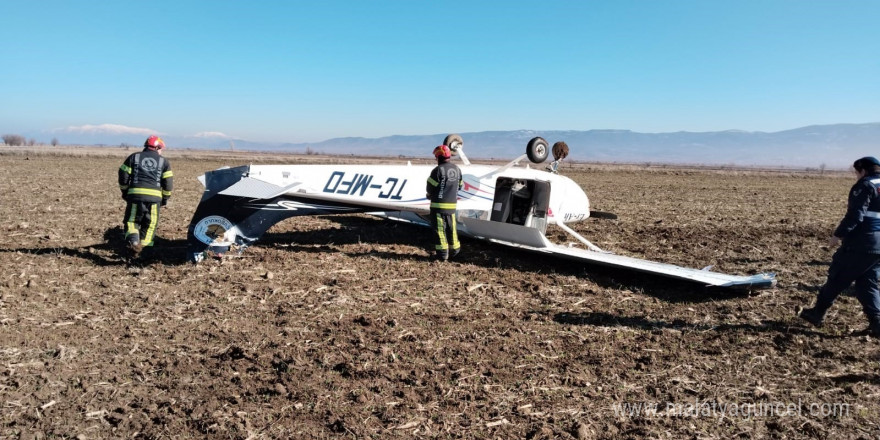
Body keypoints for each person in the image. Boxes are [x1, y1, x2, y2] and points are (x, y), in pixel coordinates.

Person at [799, 156, 880, 337]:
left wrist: (838, 234)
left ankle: (817, 313)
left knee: (837, 278)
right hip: (878, 246)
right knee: (867, 283)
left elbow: (856, 215)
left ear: (863, 171)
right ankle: (877, 323)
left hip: (861, 243)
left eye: (856, 173)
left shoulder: (865, 185)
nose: (856, 177)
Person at [118, 135, 173, 258]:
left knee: (132, 221)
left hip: (135, 197)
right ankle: (144, 252)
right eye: (161, 149)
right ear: (157, 147)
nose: (161, 152)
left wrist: (125, 191)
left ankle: (134, 242)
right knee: (150, 224)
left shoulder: (134, 157)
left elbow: (123, 174)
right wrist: (165, 198)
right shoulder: (163, 161)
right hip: (155, 199)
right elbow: (168, 183)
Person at [426, 144, 462, 261]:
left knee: (440, 231)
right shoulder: (457, 169)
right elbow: (460, 186)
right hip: (452, 206)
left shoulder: (438, 170)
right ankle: (455, 252)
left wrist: (430, 195)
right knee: (452, 230)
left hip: (438, 207)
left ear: (439, 157)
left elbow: (430, 187)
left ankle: (442, 255)